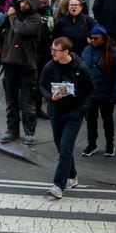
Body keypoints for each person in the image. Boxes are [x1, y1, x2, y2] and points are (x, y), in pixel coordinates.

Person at [39, 36, 95, 199]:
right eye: (51, 49)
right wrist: (50, 97)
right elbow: (41, 85)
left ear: (65, 52)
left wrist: (81, 110)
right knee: (62, 147)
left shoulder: (81, 68)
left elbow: (92, 91)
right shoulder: (50, 66)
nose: (52, 53)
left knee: (65, 148)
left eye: (55, 50)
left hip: (73, 114)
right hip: (56, 112)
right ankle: (72, 176)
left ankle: (58, 185)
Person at [0, 0, 42, 144]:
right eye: (22, 2)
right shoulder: (13, 15)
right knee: (11, 101)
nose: (23, 5)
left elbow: (20, 29)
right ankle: (11, 130)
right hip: (10, 65)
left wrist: (11, 15)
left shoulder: (35, 19)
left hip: (27, 67)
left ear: (33, 5)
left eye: (27, 3)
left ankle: (30, 132)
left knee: (27, 101)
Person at [80, 24, 116, 158]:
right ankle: (91, 144)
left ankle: (110, 145)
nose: (92, 40)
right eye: (91, 38)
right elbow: (81, 72)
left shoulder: (113, 52)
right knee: (91, 121)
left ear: (103, 39)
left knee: (107, 121)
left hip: (106, 93)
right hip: (91, 93)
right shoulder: (87, 50)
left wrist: (115, 96)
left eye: (95, 38)